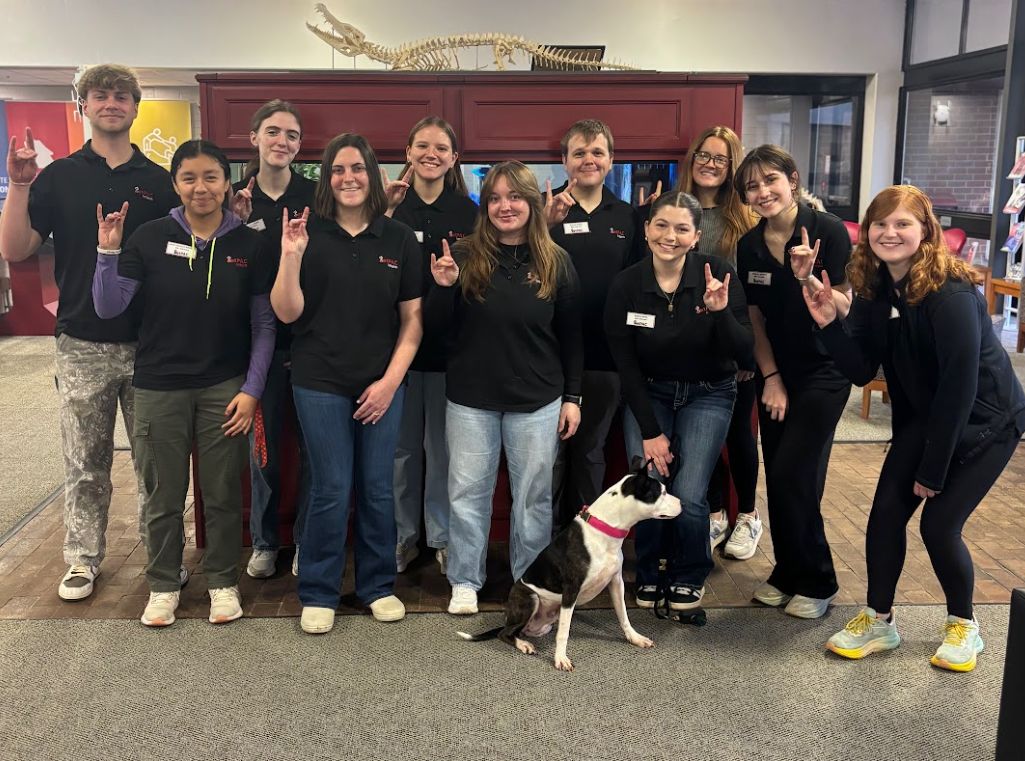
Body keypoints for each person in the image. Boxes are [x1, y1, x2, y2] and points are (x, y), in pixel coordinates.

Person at [801, 185, 1025, 671]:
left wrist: (933, 471)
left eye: (902, 223)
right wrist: (826, 325)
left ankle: (964, 626)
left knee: (939, 525)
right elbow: (861, 370)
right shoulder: (874, 289)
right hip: (925, 416)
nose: (889, 232)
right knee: (883, 518)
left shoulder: (953, 295)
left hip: (988, 421)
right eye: (880, 223)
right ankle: (880, 621)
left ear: (926, 231)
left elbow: (959, 391)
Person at [0, 64, 179, 601]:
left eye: (122, 96)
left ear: (135, 107)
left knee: (155, 464)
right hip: (80, 341)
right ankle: (82, 558)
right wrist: (21, 184)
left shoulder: (159, 180)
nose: (112, 103)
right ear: (84, 105)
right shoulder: (57, 177)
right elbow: (16, 248)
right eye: (100, 95)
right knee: (85, 461)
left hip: (151, 344)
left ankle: (162, 559)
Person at [92, 139, 275, 626]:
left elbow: (264, 325)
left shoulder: (250, 244)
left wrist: (252, 389)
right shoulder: (148, 237)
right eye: (189, 178)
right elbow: (109, 307)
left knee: (221, 493)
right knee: (162, 494)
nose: (201, 187)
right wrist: (107, 252)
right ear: (175, 185)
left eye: (211, 176)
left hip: (225, 387)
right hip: (158, 386)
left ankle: (221, 582)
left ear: (226, 182)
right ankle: (163, 584)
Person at [271, 133, 422, 635]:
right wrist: (291, 255)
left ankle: (378, 586)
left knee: (378, 488)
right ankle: (318, 590)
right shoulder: (306, 232)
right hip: (319, 381)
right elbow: (287, 313)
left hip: (383, 382)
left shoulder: (396, 237)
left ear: (373, 176)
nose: (348, 178)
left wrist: (389, 383)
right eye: (338, 169)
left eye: (357, 168)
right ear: (327, 178)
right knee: (331, 488)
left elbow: (413, 321)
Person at [428, 160, 583, 615]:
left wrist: (572, 398)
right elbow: (437, 335)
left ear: (532, 203)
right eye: (494, 198)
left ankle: (528, 581)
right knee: (467, 492)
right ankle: (464, 580)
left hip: (537, 400)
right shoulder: (460, 254)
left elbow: (573, 337)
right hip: (471, 400)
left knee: (533, 497)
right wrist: (442, 290)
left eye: (515, 197)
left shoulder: (557, 260)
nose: (504, 206)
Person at [604, 191, 752, 610]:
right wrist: (650, 432)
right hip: (648, 392)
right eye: (661, 226)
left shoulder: (718, 274)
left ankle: (689, 572)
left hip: (710, 393)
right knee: (648, 484)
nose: (670, 236)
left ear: (695, 236)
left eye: (681, 228)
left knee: (688, 490)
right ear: (647, 229)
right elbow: (626, 365)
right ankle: (649, 571)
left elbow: (744, 352)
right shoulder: (627, 284)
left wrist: (720, 311)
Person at [734, 144, 853, 619]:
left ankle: (819, 580)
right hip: (777, 375)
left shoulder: (827, 232)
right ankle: (787, 573)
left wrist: (809, 281)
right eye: (752, 186)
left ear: (793, 179)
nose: (763, 192)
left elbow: (844, 306)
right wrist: (772, 378)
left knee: (796, 475)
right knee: (779, 473)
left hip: (826, 372)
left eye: (770, 181)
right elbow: (756, 320)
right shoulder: (749, 245)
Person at [386, 116, 478, 576]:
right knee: (401, 453)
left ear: (454, 158)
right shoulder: (390, 206)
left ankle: (440, 537)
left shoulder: (467, 212)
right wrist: (381, 212)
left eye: (442, 148)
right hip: (395, 355)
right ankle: (403, 537)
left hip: (450, 354)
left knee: (442, 452)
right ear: (407, 151)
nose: (432, 154)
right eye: (422, 145)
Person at [229, 100, 317, 580]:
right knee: (263, 455)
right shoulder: (237, 201)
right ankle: (265, 541)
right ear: (254, 138)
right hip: (257, 350)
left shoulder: (315, 198)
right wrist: (233, 223)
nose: (282, 141)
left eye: (292, 135)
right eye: (274, 132)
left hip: (310, 347)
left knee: (312, 452)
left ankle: (305, 539)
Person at [546, 119, 642, 528]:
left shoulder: (629, 217)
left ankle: (582, 543)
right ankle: (542, 544)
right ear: (564, 161)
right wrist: (545, 223)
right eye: (580, 153)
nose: (589, 159)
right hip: (547, 356)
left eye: (597, 152)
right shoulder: (543, 211)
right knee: (546, 458)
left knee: (590, 453)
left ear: (611, 160)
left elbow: (642, 281)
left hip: (606, 358)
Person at [676, 126, 762, 560]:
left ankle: (747, 514)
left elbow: (753, 294)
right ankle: (714, 514)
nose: (710, 164)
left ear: (732, 167)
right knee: (695, 436)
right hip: (686, 346)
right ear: (692, 159)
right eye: (704, 155)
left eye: (721, 159)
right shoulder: (672, 210)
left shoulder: (744, 220)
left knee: (738, 435)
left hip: (733, 344)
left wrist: (746, 351)